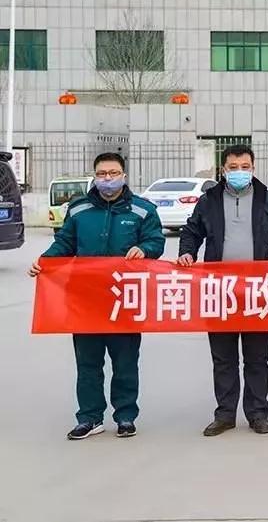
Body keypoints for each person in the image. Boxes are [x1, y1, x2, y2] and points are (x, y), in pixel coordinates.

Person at [29, 152, 165, 440]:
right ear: (95, 176)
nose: (107, 179)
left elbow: (156, 241)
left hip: (124, 299)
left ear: (124, 176)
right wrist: (44, 262)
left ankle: (125, 416)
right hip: (85, 300)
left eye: (113, 173)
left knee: (125, 362)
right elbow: (64, 243)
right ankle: (90, 418)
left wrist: (145, 249)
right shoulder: (79, 209)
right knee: (88, 363)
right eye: (102, 174)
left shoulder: (142, 210)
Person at [178, 144, 268, 437]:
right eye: (233, 167)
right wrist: (187, 252)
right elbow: (192, 231)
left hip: (258, 290)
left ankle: (258, 414)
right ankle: (225, 414)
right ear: (223, 169)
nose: (239, 172)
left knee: (257, 357)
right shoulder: (209, 200)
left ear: (253, 168)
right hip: (219, 290)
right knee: (223, 357)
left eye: (245, 167)